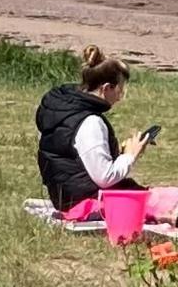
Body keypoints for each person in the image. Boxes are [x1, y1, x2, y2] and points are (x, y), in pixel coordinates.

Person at [33, 46, 151, 217]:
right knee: (163, 199)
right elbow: (104, 177)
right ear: (106, 88)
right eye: (120, 89)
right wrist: (130, 156)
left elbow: (75, 159)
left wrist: (118, 154)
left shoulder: (63, 109)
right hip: (85, 202)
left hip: (64, 196)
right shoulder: (90, 122)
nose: (120, 96)